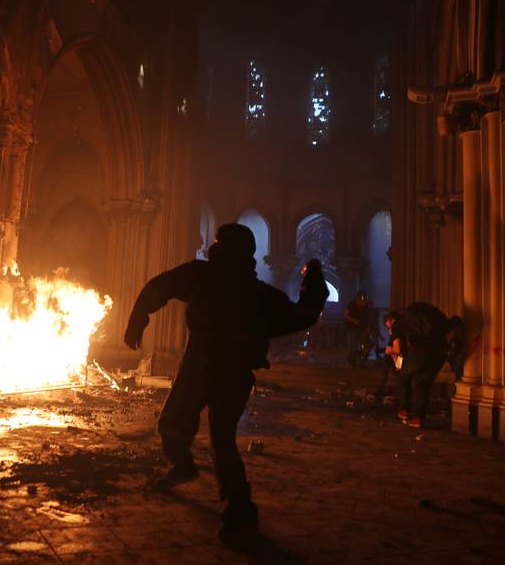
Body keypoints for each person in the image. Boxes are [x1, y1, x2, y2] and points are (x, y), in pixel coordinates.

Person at [123, 223, 328, 545]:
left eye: (218, 243)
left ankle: (234, 506)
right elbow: (158, 289)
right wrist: (313, 282)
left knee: (206, 435)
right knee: (193, 431)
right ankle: (197, 477)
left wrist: (139, 317)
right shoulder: (244, 289)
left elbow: (158, 288)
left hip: (215, 369)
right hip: (215, 369)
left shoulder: (214, 279)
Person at [395, 301, 450, 428]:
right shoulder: (436, 318)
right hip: (437, 354)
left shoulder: (410, 317)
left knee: (404, 378)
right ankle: (418, 418)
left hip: (420, 350)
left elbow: (410, 338)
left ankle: (404, 410)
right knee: (421, 384)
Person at [374, 310, 404, 399]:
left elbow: (397, 348)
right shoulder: (399, 326)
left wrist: (389, 351)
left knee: (392, 371)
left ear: (390, 320)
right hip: (394, 355)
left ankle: (381, 390)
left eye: (386, 323)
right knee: (397, 371)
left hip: (395, 355)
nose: (387, 327)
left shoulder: (395, 325)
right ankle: (398, 391)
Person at [344, 291, 374, 367]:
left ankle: (361, 362)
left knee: (364, 346)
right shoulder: (351, 305)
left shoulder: (366, 307)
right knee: (352, 347)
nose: (363, 301)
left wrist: (368, 328)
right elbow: (346, 315)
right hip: (352, 329)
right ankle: (351, 362)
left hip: (362, 329)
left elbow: (368, 318)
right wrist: (354, 320)